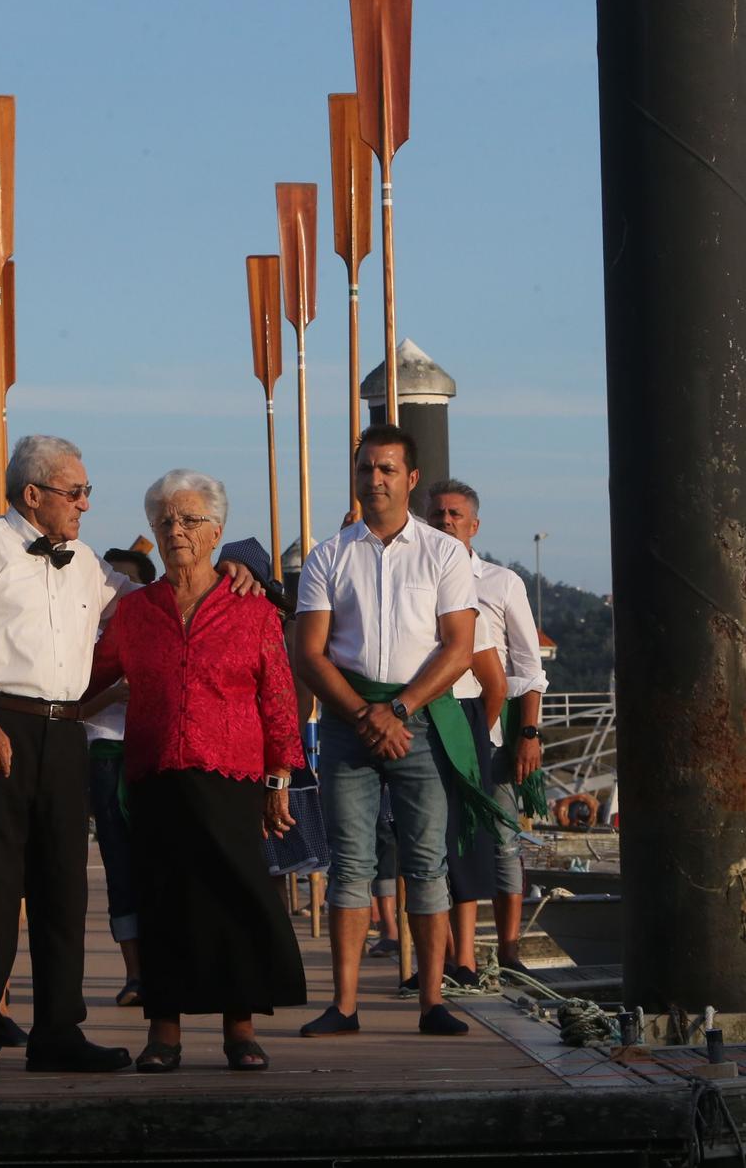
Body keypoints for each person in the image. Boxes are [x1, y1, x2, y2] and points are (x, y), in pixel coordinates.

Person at [0, 434, 261, 1079]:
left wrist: (230, 576)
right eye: (74, 491)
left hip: (64, 734)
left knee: (63, 889)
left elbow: (150, 600)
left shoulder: (82, 561)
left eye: (86, 492)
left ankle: (57, 1031)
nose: (85, 503)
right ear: (33, 495)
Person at [84, 470, 307, 1072]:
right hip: (155, 773)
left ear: (216, 532)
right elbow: (88, 679)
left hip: (233, 774)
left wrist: (279, 778)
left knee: (235, 895)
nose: (175, 530)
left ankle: (240, 1029)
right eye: (165, 521)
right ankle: (165, 1032)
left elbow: (279, 699)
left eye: (188, 521)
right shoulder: (136, 613)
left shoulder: (251, 608)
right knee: (164, 898)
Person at [293, 425, 478, 1038]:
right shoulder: (328, 555)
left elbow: (459, 648)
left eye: (387, 469)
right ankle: (344, 1005)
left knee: (427, 864)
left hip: (419, 721)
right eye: (366, 468)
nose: (374, 479)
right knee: (349, 865)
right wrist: (363, 714)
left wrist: (397, 711)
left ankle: (432, 1001)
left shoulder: (445, 554)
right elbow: (309, 653)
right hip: (350, 721)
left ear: (411, 478)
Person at [428, 480, 549, 975]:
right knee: (445, 843)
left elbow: (528, 663)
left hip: (492, 734)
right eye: (438, 514)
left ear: (474, 525)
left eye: (455, 514)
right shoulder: (419, 578)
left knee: (501, 839)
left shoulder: (502, 583)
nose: (446, 521)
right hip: (434, 727)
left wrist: (527, 732)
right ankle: (458, 956)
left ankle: (509, 948)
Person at [88, 546, 155, 1005]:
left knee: (164, 864)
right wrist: (113, 693)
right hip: (105, 752)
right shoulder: (85, 639)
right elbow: (71, 704)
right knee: (120, 866)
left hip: (156, 752)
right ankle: (135, 974)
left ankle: (168, 968)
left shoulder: (156, 625)